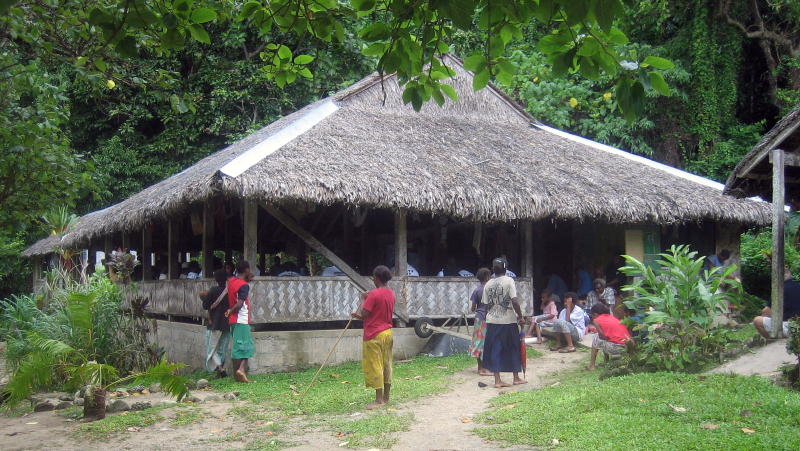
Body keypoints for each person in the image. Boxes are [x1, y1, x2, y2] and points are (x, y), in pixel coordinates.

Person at [352, 265, 395, 410]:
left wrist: (363, 298)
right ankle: (386, 397)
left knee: (376, 365)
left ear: (376, 278)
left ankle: (378, 400)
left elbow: (365, 313)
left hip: (374, 334)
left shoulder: (373, 294)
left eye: (373, 276)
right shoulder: (391, 293)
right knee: (387, 364)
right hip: (387, 332)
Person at [482, 257, 527, 388]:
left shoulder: (488, 284)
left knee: (495, 349)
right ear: (506, 268)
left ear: (493, 270)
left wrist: (488, 318)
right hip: (508, 321)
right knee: (513, 347)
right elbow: (514, 300)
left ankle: (497, 381)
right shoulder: (509, 281)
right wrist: (521, 316)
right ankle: (516, 378)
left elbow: (485, 305)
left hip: (492, 321)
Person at [225, 260, 255, 383]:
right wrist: (231, 311)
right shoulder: (244, 286)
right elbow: (240, 303)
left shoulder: (231, 281)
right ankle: (240, 370)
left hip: (233, 321)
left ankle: (237, 374)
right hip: (241, 319)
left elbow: (239, 287)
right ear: (246, 270)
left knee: (237, 346)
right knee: (247, 347)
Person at [753, 268, 800, 338]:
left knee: (757, 320)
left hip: (789, 327)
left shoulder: (779, 289)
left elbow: (766, 312)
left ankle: (773, 341)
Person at [201, 269, 231, 377]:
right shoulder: (230, 291)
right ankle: (220, 369)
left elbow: (205, 306)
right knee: (222, 348)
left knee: (212, 348)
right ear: (227, 278)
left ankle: (220, 368)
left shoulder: (213, 290)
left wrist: (204, 298)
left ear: (216, 279)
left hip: (214, 324)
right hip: (227, 324)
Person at [587, 303, 631, 370]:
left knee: (596, 337)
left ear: (595, 314)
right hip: (627, 347)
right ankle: (606, 361)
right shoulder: (612, 317)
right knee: (606, 337)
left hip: (617, 348)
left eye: (592, 315)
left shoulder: (596, 320)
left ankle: (592, 365)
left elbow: (602, 337)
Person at [468, 268, 492, 376]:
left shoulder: (477, 290)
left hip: (478, 318)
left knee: (478, 343)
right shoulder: (489, 290)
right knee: (486, 344)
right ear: (487, 277)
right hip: (488, 319)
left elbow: (473, 308)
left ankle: (480, 367)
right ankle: (482, 369)